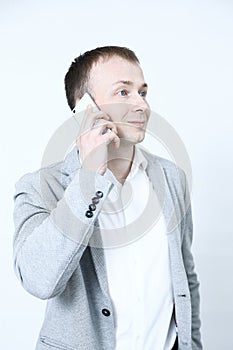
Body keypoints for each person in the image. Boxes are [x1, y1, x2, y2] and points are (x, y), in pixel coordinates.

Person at [13, 46, 202, 350]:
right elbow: (39, 280)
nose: (141, 105)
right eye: (124, 92)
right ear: (85, 108)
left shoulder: (172, 178)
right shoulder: (40, 187)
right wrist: (89, 178)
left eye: (142, 92)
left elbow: (186, 279)